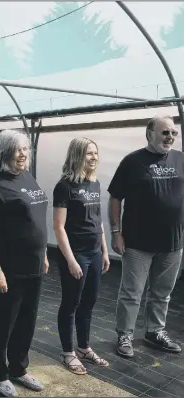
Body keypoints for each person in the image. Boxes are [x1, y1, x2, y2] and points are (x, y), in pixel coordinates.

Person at [0, 130, 49, 397]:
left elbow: (36, 219)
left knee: (27, 322)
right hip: (8, 269)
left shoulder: (26, 177)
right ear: (3, 151)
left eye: (26, 148)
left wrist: (44, 255)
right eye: (17, 149)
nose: (24, 154)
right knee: (1, 323)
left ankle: (19, 368)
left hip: (34, 266)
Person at [108, 114, 183, 358]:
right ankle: (125, 334)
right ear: (149, 133)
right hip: (138, 242)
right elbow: (115, 197)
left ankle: (154, 332)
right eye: (165, 132)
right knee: (132, 292)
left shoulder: (181, 159)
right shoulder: (132, 161)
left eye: (173, 132)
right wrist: (116, 233)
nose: (170, 137)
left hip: (173, 242)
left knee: (162, 292)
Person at [52, 137, 110, 375]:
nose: (94, 157)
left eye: (95, 153)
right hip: (76, 255)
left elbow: (98, 221)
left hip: (95, 253)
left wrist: (104, 251)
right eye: (88, 154)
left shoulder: (94, 184)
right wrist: (71, 260)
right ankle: (68, 352)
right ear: (77, 156)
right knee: (71, 304)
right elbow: (59, 227)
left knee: (89, 302)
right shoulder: (64, 186)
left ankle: (84, 347)